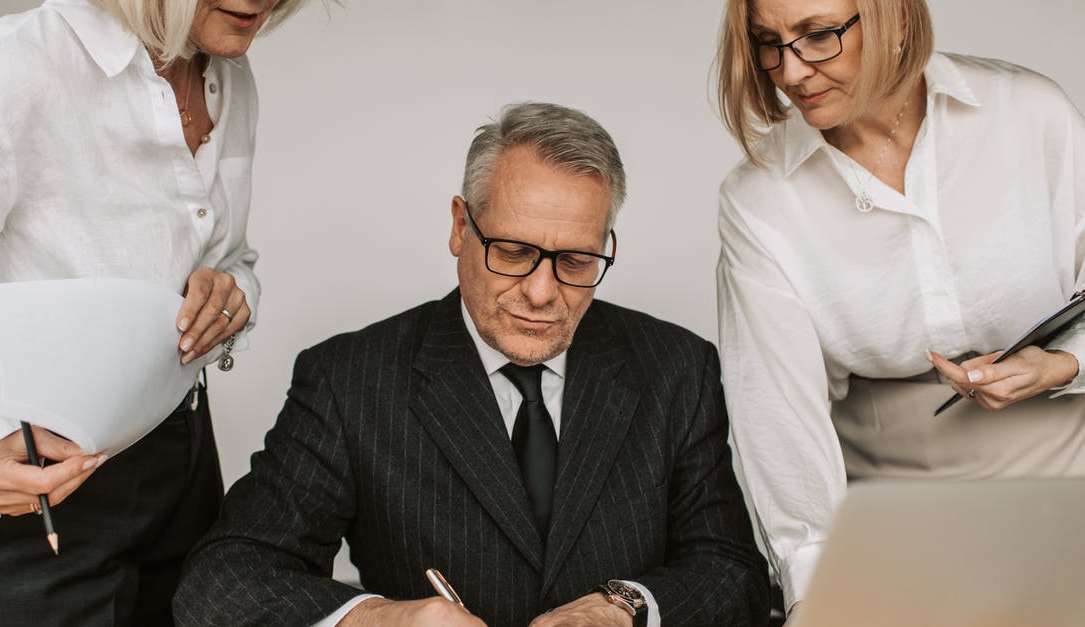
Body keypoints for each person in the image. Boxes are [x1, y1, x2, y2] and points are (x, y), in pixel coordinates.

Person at [173, 102, 771, 627]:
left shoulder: (677, 368)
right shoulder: (349, 380)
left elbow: (732, 573)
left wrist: (623, 607)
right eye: (512, 252)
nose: (541, 293)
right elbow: (220, 584)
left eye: (577, 261)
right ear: (461, 227)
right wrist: (381, 620)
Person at [0, 0, 307, 623]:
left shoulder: (229, 73)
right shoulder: (9, 73)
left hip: (186, 461)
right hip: (38, 491)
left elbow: (224, 256)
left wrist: (233, 292)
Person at [713, 0, 1085, 620]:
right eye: (769, 42)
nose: (789, 72)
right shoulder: (760, 200)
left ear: (892, 17)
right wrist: (818, 589)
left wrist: (1067, 361)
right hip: (902, 512)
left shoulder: (1027, 113)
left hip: (1083, 478)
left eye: (817, 36)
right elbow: (778, 416)